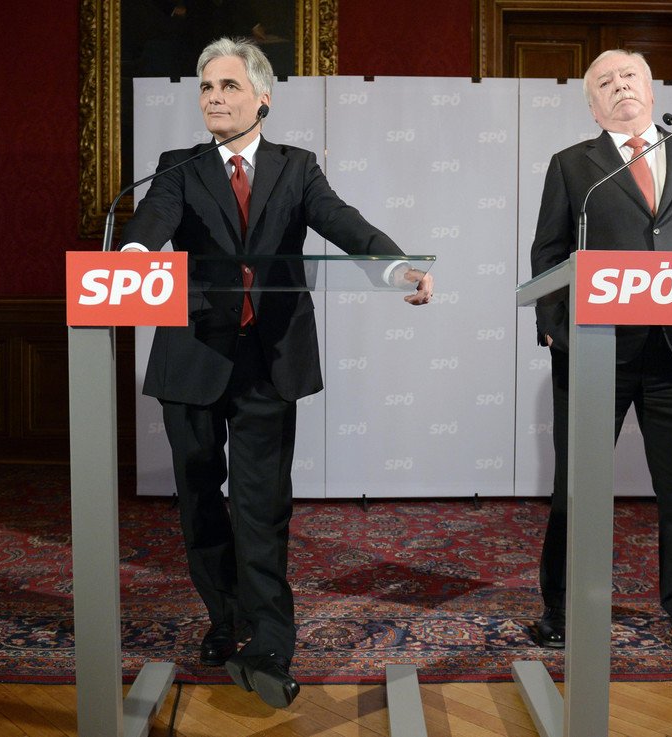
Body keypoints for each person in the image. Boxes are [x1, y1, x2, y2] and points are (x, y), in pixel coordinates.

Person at [120, 36, 433, 708]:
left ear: (262, 98)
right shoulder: (178, 167)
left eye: (228, 86)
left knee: (262, 504)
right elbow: (151, 223)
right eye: (206, 88)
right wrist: (135, 255)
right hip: (192, 358)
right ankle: (224, 617)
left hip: (267, 360)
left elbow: (343, 223)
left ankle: (269, 640)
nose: (214, 98)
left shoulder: (297, 167)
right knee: (200, 500)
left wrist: (394, 265)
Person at [529, 49, 672, 656]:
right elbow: (548, 255)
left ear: (650, 91)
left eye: (630, 76)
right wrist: (556, 328)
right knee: (577, 488)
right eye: (605, 82)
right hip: (599, 349)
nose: (619, 86)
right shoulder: (574, 166)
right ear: (593, 106)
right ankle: (561, 607)